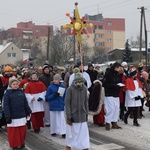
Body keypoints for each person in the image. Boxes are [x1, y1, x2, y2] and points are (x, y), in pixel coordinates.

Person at [3, 78, 31, 149]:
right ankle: (14, 145)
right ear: (10, 85)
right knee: (14, 133)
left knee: (22, 131)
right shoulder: (7, 93)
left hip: (21, 115)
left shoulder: (21, 92)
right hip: (13, 117)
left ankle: (21, 143)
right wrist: (8, 116)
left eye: (16, 84)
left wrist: (28, 110)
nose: (15, 85)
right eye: (14, 84)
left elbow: (25, 103)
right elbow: (6, 105)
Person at [65, 72, 89, 150]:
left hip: (82, 112)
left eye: (81, 81)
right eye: (79, 82)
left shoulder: (84, 88)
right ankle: (72, 146)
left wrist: (86, 112)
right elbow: (67, 102)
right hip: (74, 113)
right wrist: (69, 116)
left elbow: (86, 101)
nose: (80, 83)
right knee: (74, 132)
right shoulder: (70, 89)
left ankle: (84, 145)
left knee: (83, 132)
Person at [45, 74, 66, 138]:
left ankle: (63, 132)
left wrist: (64, 103)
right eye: (54, 79)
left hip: (60, 105)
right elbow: (47, 97)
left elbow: (65, 96)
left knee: (62, 119)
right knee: (53, 119)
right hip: (53, 105)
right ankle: (53, 131)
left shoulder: (63, 87)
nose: (54, 81)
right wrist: (54, 95)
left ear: (59, 80)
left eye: (56, 79)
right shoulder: (50, 87)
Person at [103, 62, 122, 130]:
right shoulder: (108, 74)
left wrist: (119, 85)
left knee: (116, 108)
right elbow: (104, 84)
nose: (120, 69)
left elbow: (119, 82)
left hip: (116, 93)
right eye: (119, 68)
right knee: (110, 108)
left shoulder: (118, 75)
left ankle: (114, 122)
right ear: (115, 68)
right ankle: (107, 122)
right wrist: (114, 86)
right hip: (109, 93)